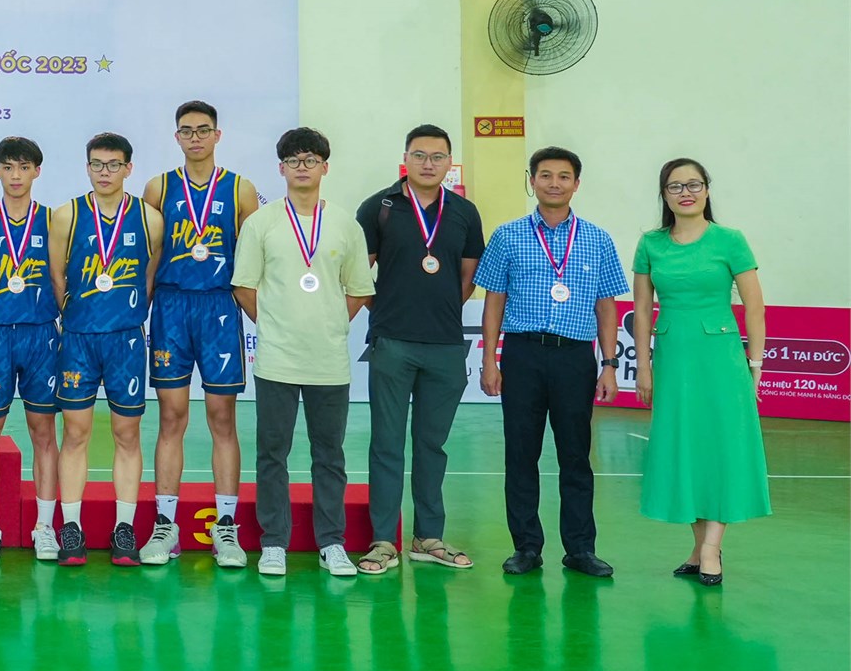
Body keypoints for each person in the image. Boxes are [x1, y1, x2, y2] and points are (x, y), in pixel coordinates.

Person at [478, 145, 628, 579]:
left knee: (575, 455)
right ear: (532, 181)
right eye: (545, 175)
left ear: (576, 184)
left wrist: (609, 364)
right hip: (523, 354)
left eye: (564, 176)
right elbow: (494, 301)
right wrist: (490, 359)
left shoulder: (598, 239)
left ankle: (580, 549)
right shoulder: (507, 236)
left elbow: (606, 306)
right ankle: (526, 547)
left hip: (575, 358)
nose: (554, 183)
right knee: (520, 454)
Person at [230, 127, 373, 579]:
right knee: (272, 453)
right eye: (293, 160)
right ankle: (274, 543)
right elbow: (243, 286)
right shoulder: (261, 223)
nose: (302, 167)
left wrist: (329, 324)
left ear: (325, 167)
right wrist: (276, 325)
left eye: (311, 159)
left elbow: (359, 289)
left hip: (328, 362)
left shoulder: (346, 224)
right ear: (281, 168)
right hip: (277, 359)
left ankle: (332, 542)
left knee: (329, 455)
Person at [354, 124, 486, 577]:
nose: (428, 163)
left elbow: (467, 278)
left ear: (449, 162)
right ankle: (382, 541)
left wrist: (440, 311)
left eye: (437, 156)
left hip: (446, 346)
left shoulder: (464, 212)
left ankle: (428, 537)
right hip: (391, 343)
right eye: (420, 155)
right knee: (386, 444)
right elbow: (359, 273)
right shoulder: (380, 207)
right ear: (405, 158)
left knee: (432, 444)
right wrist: (386, 311)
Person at [632, 158, 770, 586]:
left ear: (707, 189)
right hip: (674, 357)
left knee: (722, 447)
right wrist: (643, 366)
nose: (685, 193)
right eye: (675, 186)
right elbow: (641, 311)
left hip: (721, 359)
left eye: (694, 184)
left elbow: (755, 307)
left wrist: (755, 365)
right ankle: (699, 546)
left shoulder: (730, 240)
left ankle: (712, 548)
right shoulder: (650, 244)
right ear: (664, 194)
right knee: (683, 447)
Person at [140, 99, 260, 569]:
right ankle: (165, 525)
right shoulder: (158, 187)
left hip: (219, 308)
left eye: (203, 130)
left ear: (217, 135)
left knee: (221, 417)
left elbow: (252, 258)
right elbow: (148, 254)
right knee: (171, 417)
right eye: (187, 130)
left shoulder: (241, 189)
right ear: (177, 137)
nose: (195, 137)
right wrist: (142, 307)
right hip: (171, 307)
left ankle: (225, 527)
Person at [54, 133, 160, 567]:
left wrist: (126, 314)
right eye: (97, 164)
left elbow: (149, 277)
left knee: (127, 434)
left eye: (113, 164)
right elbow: (57, 274)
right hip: (79, 339)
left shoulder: (150, 219)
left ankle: (124, 527)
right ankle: (71, 526)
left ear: (128, 168)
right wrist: (73, 313)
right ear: (87, 167)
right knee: (75, 433)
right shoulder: (67, 215)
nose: (105, 172)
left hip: (126, 340)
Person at [0, 136, 63, 560]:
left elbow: (63, 277)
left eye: (24, 167)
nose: (15, 175)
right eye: (8, 167)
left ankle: (44, 526)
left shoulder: (54, 220)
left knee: (44, 433)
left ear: (37, 172)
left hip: (41, 334)